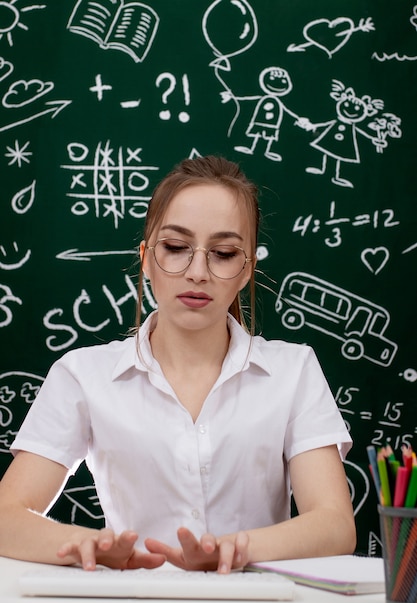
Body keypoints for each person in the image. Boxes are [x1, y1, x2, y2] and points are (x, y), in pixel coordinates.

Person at [0, 155, 356, 574]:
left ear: (246, 270)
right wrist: (90, 543)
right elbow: (7, 517)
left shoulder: (294, 370)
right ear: (147, 258)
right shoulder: (82, 375)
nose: (198, 272)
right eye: (175, 248)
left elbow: (335, 526)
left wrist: (235, 550)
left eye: (223, 253)